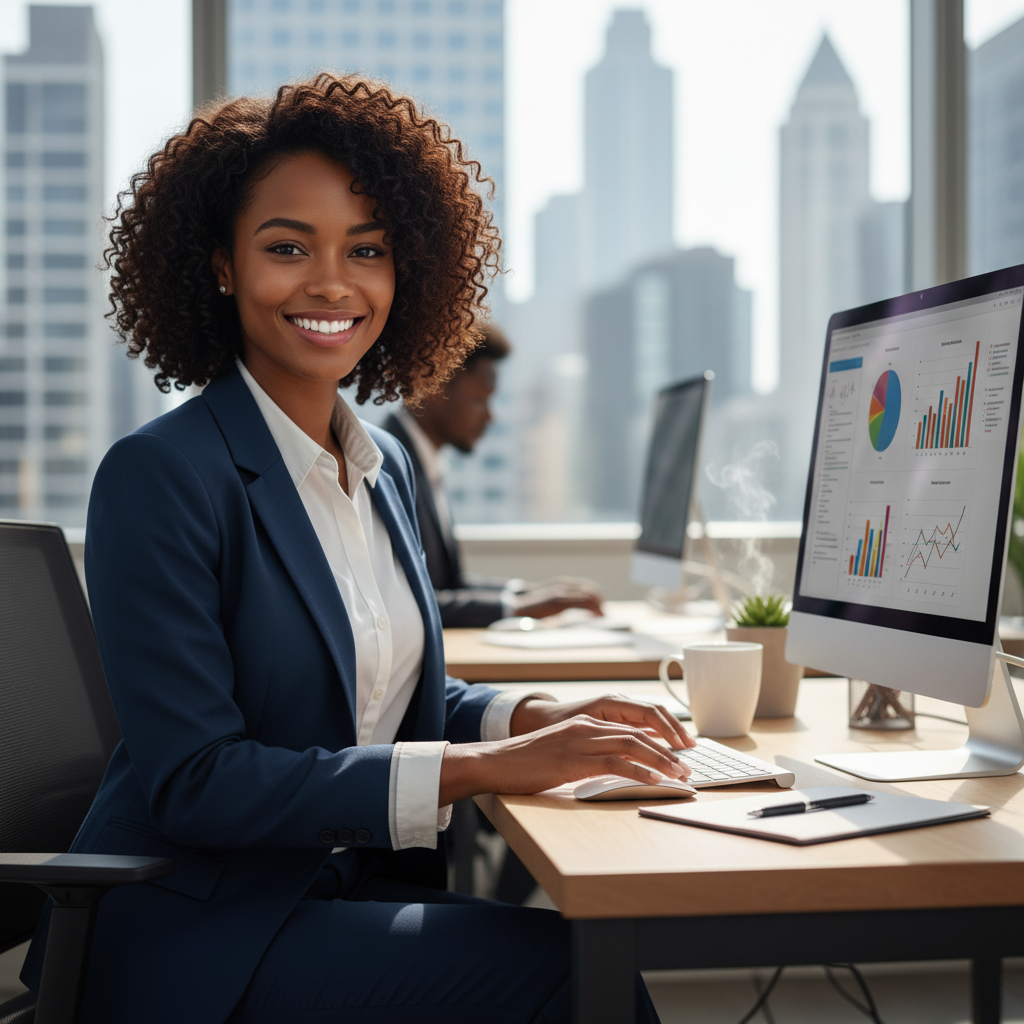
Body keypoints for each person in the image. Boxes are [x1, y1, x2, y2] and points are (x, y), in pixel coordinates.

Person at [20, 75, 693, 1024]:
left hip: (336, 893)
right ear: (219, 264)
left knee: (583, 954)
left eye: (366, 250)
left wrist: (536, 715)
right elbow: (197, 781)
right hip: (197, 935)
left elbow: (384, 692)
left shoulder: (381, 469)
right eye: (288, 246)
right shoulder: (162, 474)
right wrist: (487, 770)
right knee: (574, 978)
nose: (333, 282)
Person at [382, 325, 604, 627]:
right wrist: (517, 607)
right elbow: (404, 602)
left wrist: (527, 592)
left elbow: (447, 584)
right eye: (479, 399)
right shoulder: (384, 465)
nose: (489, 416)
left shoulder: (422, 461)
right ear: (433, 386)